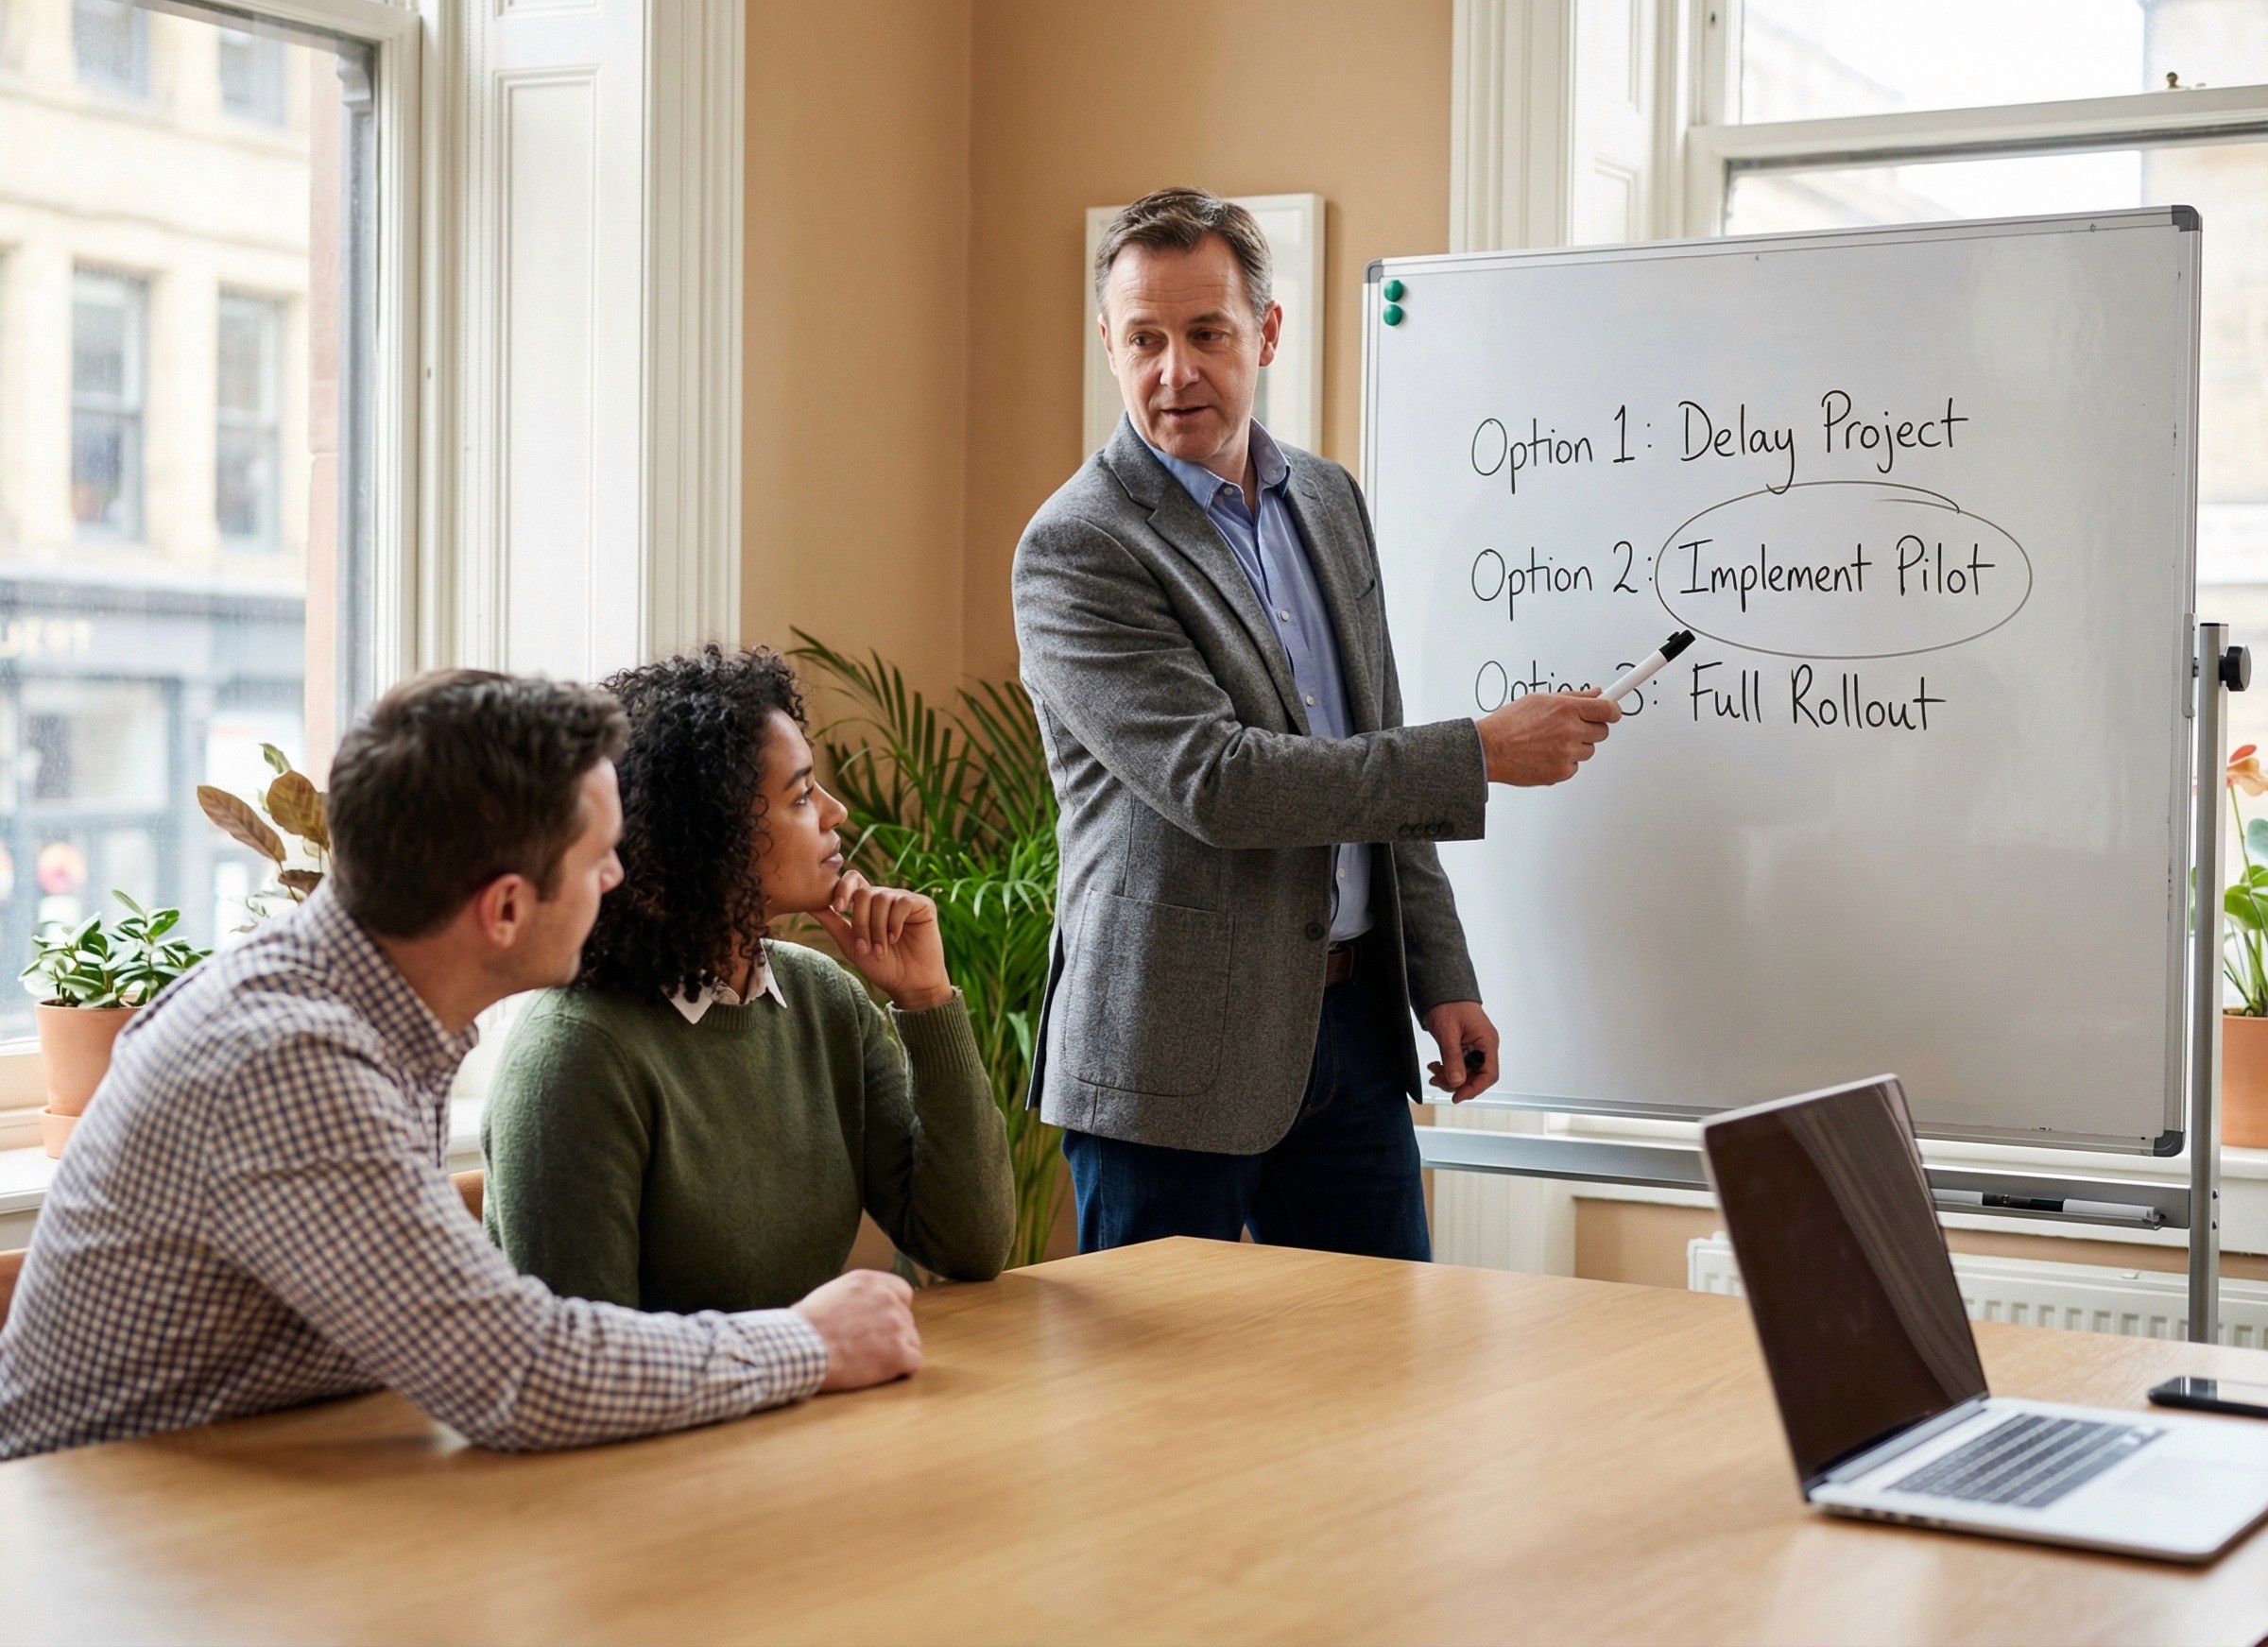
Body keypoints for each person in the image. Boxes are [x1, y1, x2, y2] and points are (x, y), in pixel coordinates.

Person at [0, 670, 921, 1462]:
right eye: (599, 857)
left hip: (236, 1494)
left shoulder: (359, 1006)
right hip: (85, 1539)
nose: (616, 879)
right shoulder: (288, 1059)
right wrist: (806, 1342)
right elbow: (515, 1372)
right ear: (507, 909)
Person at [1011, 186, 1621, 1259]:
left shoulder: (1328, 501)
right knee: (1161, 1423)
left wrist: (1443, 977)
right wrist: (1480, 752)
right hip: (1169, 1059)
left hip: (1351, 1037)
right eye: (1144, 338)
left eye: (1207, 333)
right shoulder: (1078, 546)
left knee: (1383, 1390)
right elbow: (1222, 782)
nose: (1174, 371)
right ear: (1107, 341)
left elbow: (1369, 739)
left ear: (1269, 332)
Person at [480, 645, 1014, 1312]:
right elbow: (584, 1367)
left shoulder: (826, 1001)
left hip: (810, 1397)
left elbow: (969, 1245)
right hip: (682, 1413)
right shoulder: (576, 1053)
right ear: (708, 836)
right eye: (800, 794)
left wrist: (926, 999)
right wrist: (805, 1350)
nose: (835, 811)